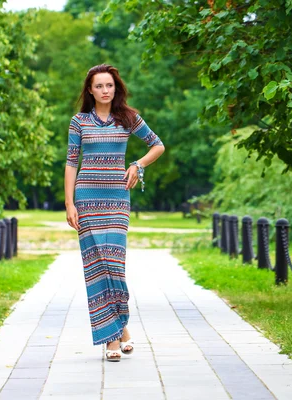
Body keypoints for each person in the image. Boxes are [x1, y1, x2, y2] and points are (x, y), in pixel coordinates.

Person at [64, 64, 165, 362]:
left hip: (118, 199)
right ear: (90, 90)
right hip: (86, 199)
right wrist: (69, 203)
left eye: (109, 85)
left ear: (115, 88)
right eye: (99, 86)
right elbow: (71, 163)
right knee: (96, 266)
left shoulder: (128, 118)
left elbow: (157, 146)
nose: (105, 90)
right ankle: (114, 339)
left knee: (114, 263)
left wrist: (137, 165)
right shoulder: (79, 122)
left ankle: (120, 329)